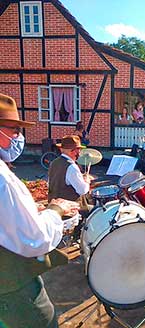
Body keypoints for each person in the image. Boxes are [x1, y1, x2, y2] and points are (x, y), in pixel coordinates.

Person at [0, 93, 80, 328]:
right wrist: (56, 210)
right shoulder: (2, 179)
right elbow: (36, 238)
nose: (18, 137)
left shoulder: (56, 163)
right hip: (12, 287)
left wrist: (29, 210)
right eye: (14, 129)